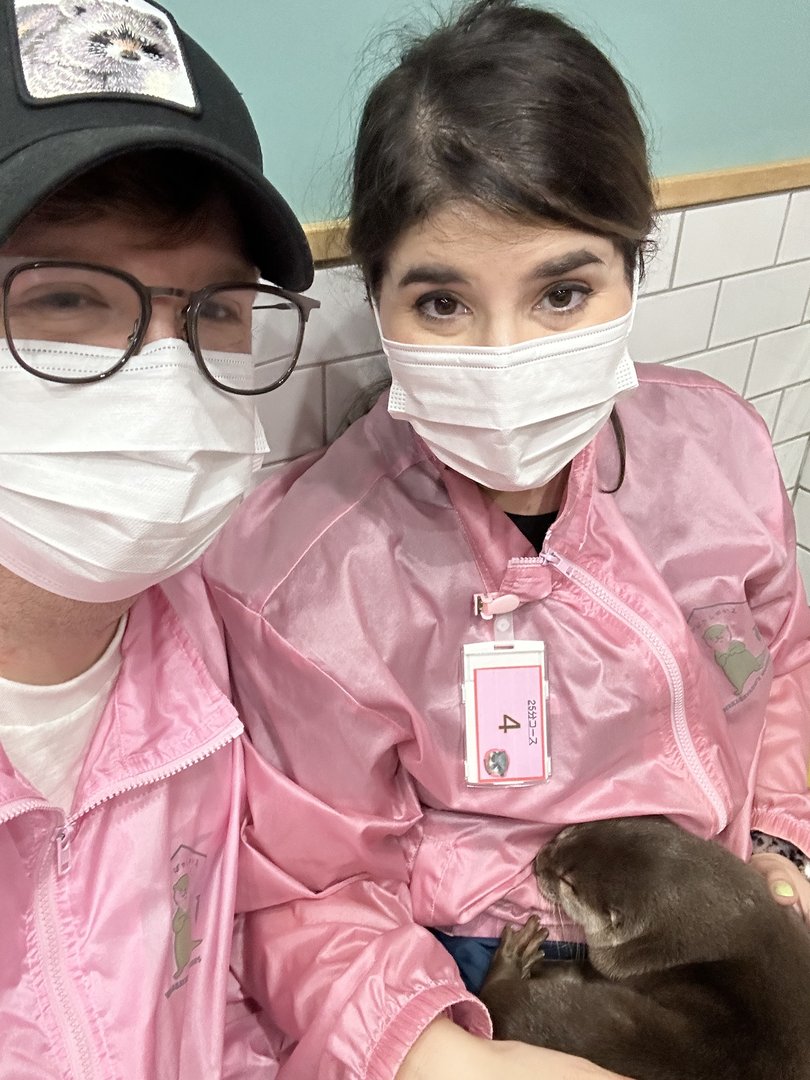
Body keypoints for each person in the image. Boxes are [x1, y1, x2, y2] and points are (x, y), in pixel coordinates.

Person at [205, 1, 810, 1077]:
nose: (506, 354)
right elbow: (309, 893)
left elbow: (782, 671)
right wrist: (450, 1058)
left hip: (725, 918)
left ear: (635, 268)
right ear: (379, 297)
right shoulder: (308, 576)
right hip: (506, 968)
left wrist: (780, 840)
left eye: (563, 292)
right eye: (442, 303)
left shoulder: (716, 450)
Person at [0, 0, 319, 1074]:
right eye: (67, 299)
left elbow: (206, 1006)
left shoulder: (204, 651)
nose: (166, 382)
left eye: (217, 312)